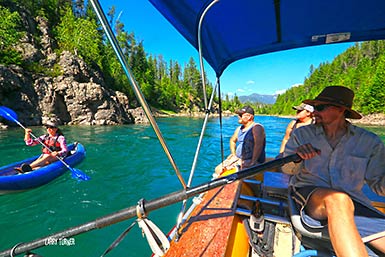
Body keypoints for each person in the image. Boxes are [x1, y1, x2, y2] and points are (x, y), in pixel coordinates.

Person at [282, 86, 385, 257]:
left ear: (341, 109)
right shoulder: (302, 135)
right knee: (338, 199)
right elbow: (286, 170)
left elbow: (378, 186)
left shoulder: (369, 142)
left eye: (320, 107)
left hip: (354, 201)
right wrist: (297, 157)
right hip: (309, 195)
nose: (314, 112)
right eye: (314, 107)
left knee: (343, 201)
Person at [214, 105, 266, 176]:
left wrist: (253, 162)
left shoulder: (256, 127)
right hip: (239, 158)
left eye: (241, 115)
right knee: (218, 169)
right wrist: (233, 154)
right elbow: (232, 140)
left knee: (237, 175)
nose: (238, 116)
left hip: (252, 160)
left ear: (249, 117)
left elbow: (258, 145)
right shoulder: (239, 129)